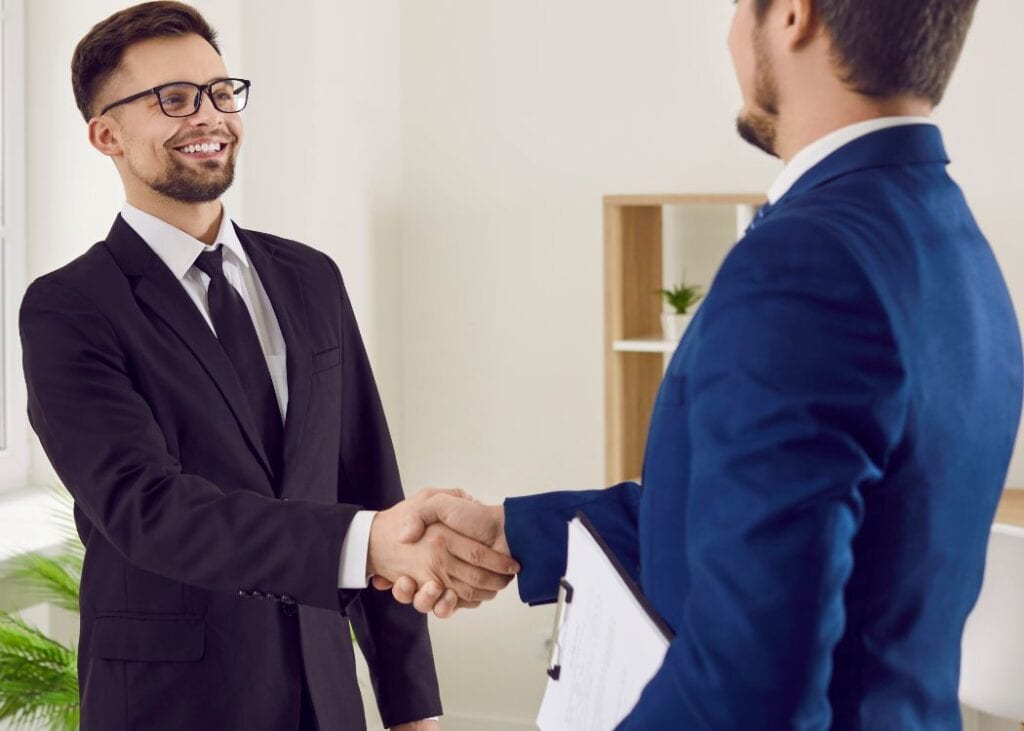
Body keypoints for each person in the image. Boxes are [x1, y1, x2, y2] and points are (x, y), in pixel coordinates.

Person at [382, 0, 1024, 727]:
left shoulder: (807, 265)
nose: (726, 37)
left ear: (792, 15)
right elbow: (769, 523)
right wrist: (511, 531)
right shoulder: (954, 243)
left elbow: (745, 688)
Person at [19, 3, 517, 730]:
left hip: (325, 693)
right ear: (106, 134)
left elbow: (368, 481)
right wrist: (366, 540)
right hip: (169, 705)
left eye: (221, 92)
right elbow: (147, 509)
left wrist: (414, 708)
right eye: (175, 99)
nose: (209, 116)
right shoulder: (69, 308)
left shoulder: (311, 277)